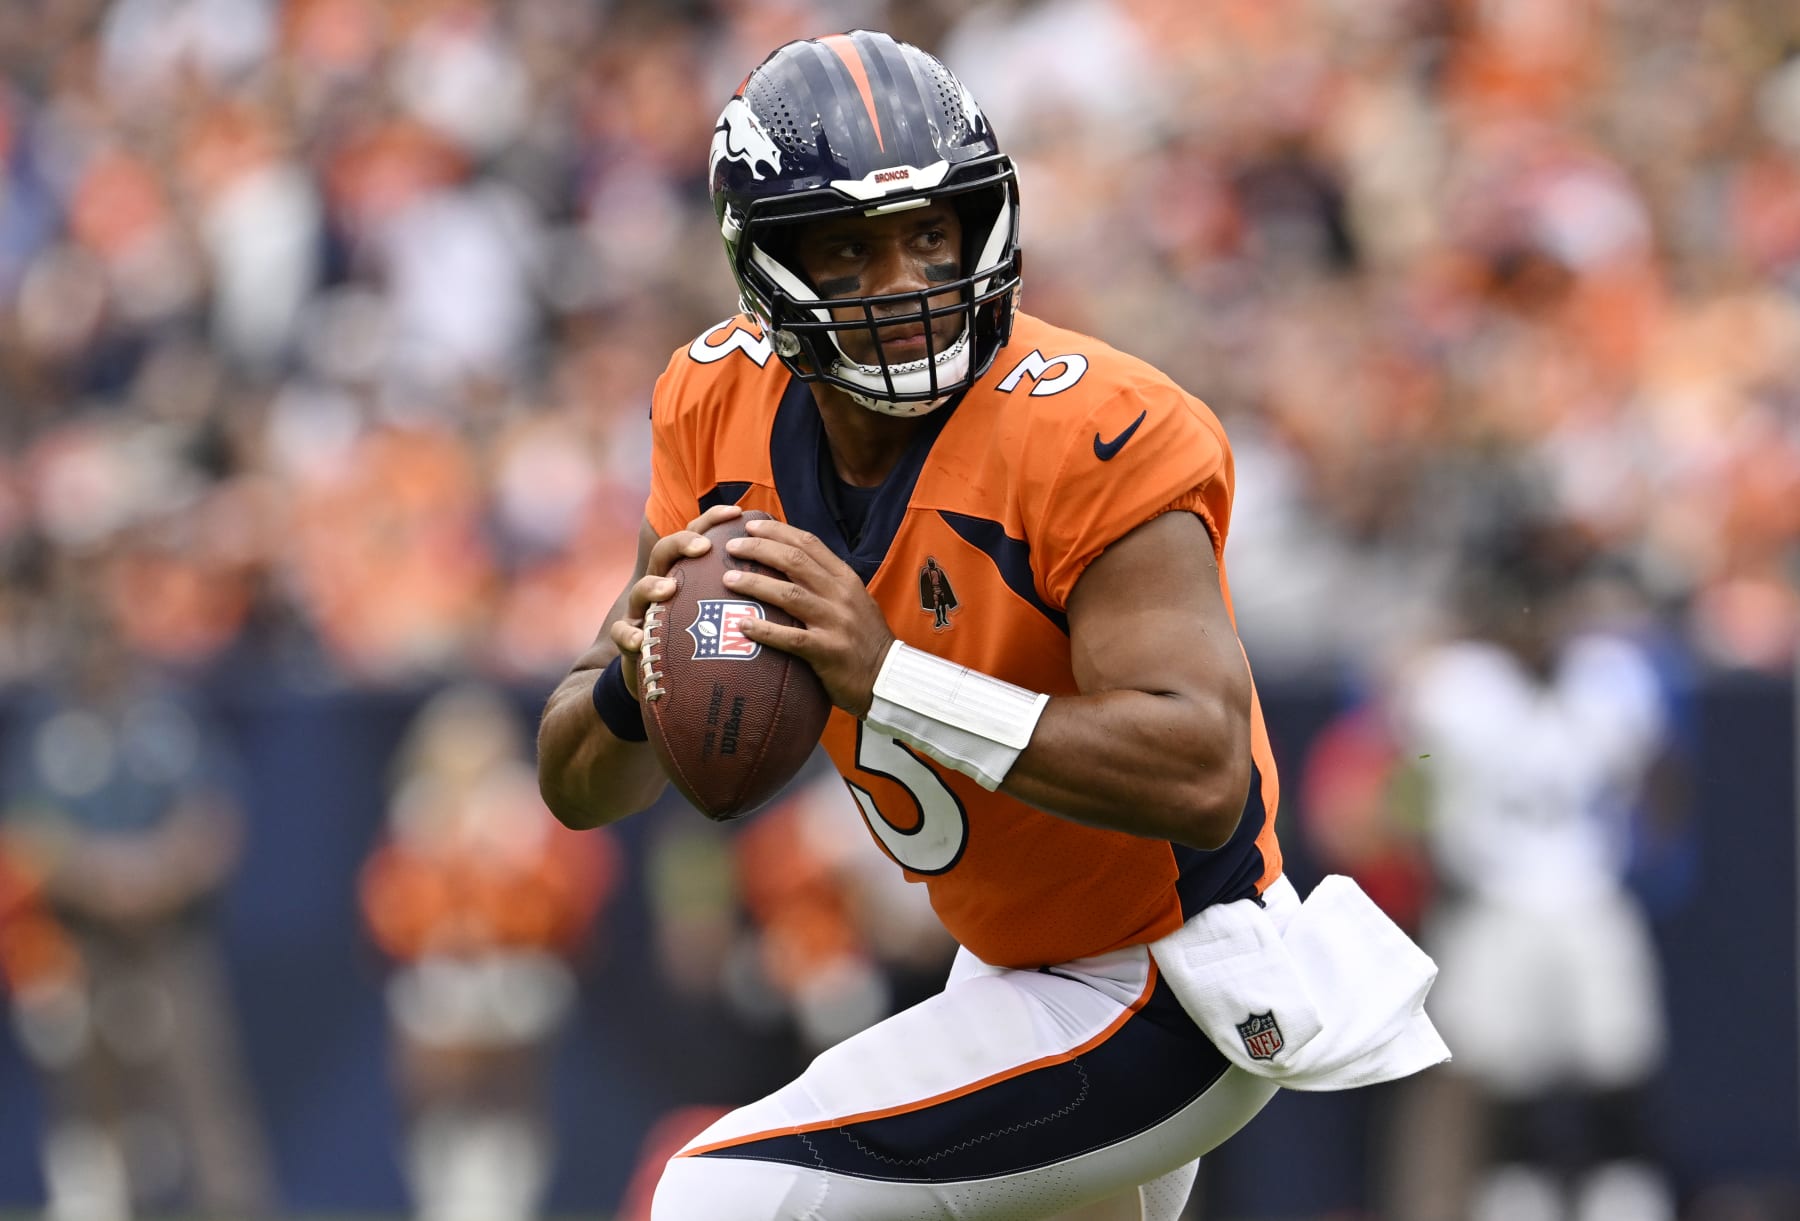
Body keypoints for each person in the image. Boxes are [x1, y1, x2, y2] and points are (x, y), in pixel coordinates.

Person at [538, 30, 1448, 1221]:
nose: (908, 279)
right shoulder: (713, 409)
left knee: (720, 1197)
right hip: (1014, 969)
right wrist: (631, 683)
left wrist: (887, 676)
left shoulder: (1094, 428)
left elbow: (1204, 773)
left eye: (932, 232)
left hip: (1161, 981)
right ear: (767, 267)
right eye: (851, 250)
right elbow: (580, 785)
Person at [1388, 518, 1679, 1221]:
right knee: (1503, 1075)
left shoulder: (1613, 678)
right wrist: (1433, 833)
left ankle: (1624, 1202)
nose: (1538, 623)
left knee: (1617, 1063)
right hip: (1494, 899)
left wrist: (1651, 840)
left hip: (1588, 891)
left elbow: (1659, 775)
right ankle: (1511, 1202)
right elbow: (1410, 782)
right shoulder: (1455, 687)